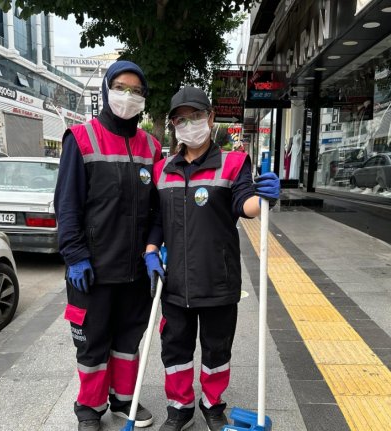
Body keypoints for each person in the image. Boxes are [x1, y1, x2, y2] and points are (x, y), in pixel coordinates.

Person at [146, 87, 280, 431]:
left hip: (218, 278)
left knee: (217, 350)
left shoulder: (233, 163)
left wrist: (264, 198)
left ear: (210, 118)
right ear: (174, 125)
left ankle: (212, 403)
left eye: (195, 116)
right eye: (180, 119)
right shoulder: (162, 170)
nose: (188, 124)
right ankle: (179, 408)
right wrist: (150, 251)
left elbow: (245, 204)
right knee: (175, 350)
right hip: (175, 281)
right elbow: (156, 220)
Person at [54, 60, 164, 431]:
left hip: (135, 271)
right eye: (121, 87)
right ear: (105, 89)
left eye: (136, 90)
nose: (128, 96)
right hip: (94, 271)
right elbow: (67, 205)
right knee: (93, 345)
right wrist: (75, 256)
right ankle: (89, 409)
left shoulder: (152, 146)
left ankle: (123, 399)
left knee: (129, 340)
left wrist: (153, 250)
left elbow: (157, 210)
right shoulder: (81, 138)